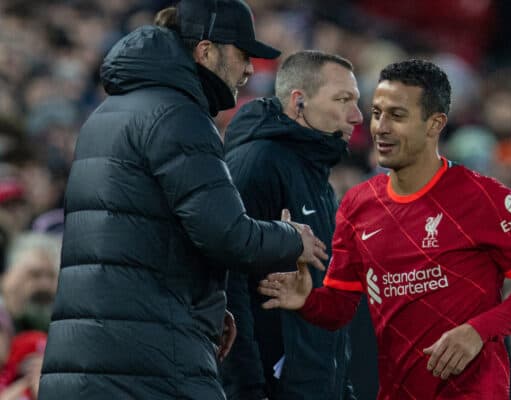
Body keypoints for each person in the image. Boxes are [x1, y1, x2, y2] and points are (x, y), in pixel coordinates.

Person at [38, 1, 328, 399]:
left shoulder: (110, 112)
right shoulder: (178, 115)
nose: (249, 69)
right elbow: (226, 234)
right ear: (206, 51)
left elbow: (139, 239)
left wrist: (204, 307)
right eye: (243, 55)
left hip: (92, 361)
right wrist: (292, 236)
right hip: (148, 368)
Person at [258, 59, 511, 400]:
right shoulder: (358, 204)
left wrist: (478, 331)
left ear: (435, 124)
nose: (380, 128)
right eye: (377, 113)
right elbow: (341, 307)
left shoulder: (485, 197)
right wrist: (307, 300)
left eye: (397, 116)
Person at [221, 50, 363, 400]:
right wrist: (248, 390)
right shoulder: (258, 163)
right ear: (299, 101)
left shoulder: (316, 177)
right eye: (342, 100)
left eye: (356, 101)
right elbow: (227, 284)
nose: (357, 115)